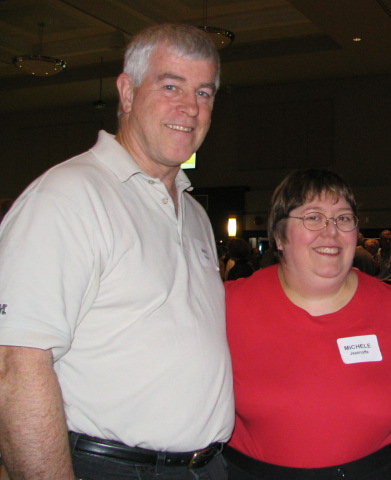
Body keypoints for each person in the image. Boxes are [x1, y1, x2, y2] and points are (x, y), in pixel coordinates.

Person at [0, 24, 234, 480]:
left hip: (204, 467)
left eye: (204, 93)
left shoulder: (193, 213)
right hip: (111, 467)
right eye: (171, 87)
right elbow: (15, 366)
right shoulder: (67, 196)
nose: (190, 107)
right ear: (127, 92)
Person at [225, 168, 391, 480]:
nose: (331, 231)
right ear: (279, 236)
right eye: (313, 217)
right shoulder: (229, 306)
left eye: (343, 218)